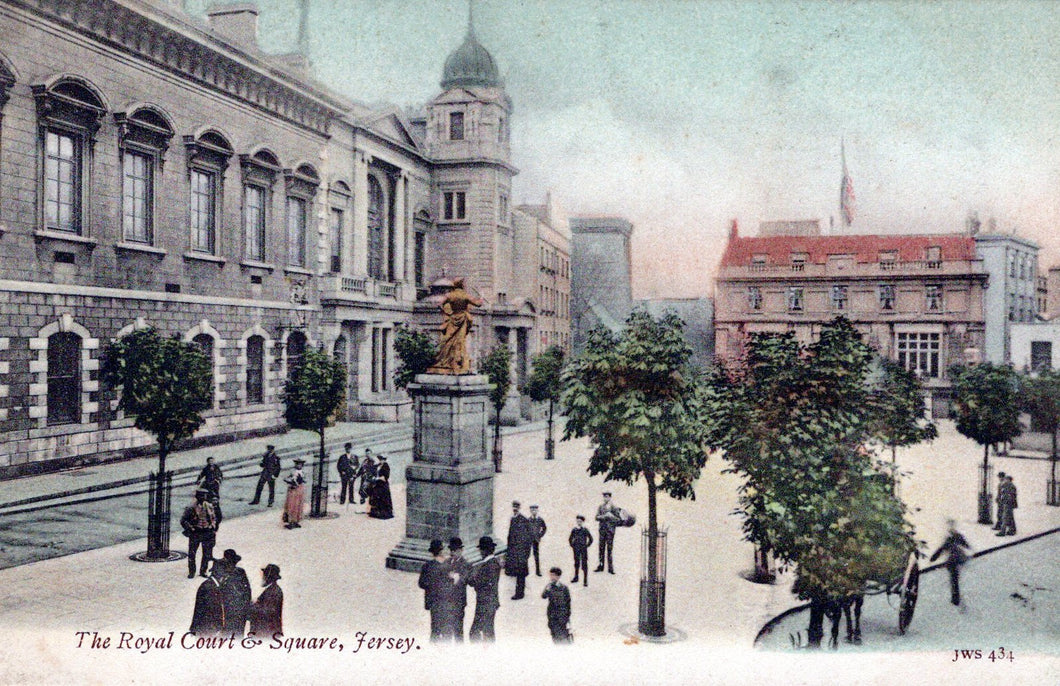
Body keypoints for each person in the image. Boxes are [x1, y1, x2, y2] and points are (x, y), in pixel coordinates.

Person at [427, 277, 484, 375]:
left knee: (448, 340)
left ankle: (447, 362)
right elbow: (478, 304)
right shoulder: (465, 295)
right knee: (459, 341)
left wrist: (447, 312)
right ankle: (459, 364)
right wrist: (482, 297)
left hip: (453, 319)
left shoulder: (450, 295)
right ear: (462, 285)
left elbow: (440, 304)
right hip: (462, 319)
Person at [930, 520, 972, 606]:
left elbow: (941, 549)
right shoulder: (958, 536)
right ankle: (955, 597)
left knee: (954, 578)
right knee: (954, 578)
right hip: (958, 559)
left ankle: (955, 597)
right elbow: (966, 545)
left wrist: (934, 557)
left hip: (952, 561)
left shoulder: (949, 539)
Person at [467, 536, 501, 642]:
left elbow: (480, 582)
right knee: (487, 631)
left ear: (485, 550)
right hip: (489, 602)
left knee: (476, 632)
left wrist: (469, 578)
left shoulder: (489, 565)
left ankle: (482, 654)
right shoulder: (492, 563)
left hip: (486, 603)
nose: (480, 552)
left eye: (481, 550)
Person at [180, 487, 218, 579]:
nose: (203, 497)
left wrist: (212, 526)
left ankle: (203, 571)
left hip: (206, 532)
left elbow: (213, 518)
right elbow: (183, 520)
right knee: (192, 553)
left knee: (206, 553)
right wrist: (190, 528)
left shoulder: (209, 506)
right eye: (201, 495)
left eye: (204, 495)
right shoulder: (191, 508)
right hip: (196, 532)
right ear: (197, 496)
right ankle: (192, 571)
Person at [418, 539, 450, 642]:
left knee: (435, 628)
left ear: (432, 552)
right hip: (446, 600)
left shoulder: (427, 566)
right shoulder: (448, 565)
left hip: (433, 601)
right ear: (442, 551)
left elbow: (421, 583)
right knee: (446, 628)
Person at [441, 537, 472, 641]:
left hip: (458, 601)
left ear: (461, 550)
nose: (452, 552)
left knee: (458, 630)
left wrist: (454, 577)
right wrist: (453, 576)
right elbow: (441, 576)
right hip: (446, 601)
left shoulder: (466, 564)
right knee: (446, 630)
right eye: (451, 550)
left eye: (455, 550)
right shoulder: (446, 562)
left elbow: (463, 580)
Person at [217, 549, 251, 638]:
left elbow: (247, 592)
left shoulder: (240, 572)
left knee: (235, 637)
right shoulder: (222, 575)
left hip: (236, 613)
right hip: (229, 614)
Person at [189, 558, 226, 636]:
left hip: (207, 629)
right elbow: (211, 612)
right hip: (208, 631)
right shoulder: (210, 588)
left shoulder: (211, 585)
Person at [505, 501, 534, 600]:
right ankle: (519, 592)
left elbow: (529, 537)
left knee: (520, 574)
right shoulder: (513, 519)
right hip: (514, 551)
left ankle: (520, 593)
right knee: (517, 573)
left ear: (520, 508)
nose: (515, 508)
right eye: (513, 507)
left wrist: (526, 552)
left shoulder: (523, 520)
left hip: (521, 552)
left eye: (517, 507)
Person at [248, 564, 283, 639]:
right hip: (266, 632)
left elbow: (268, 611)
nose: (262, 577)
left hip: (267, 633)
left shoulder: (274, 591)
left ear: (268, 577)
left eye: (264, 575)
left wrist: (252, 606)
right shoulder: (272, 589)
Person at [541, 567, 572, 644]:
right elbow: (543, 596)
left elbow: (568, 602)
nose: (551, 577)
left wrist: (567, 616)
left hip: (562, 614)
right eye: (550, 575)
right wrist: (547, 589)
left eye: (553, 575)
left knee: (563, 635)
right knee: (554, 634)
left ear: (558, 576)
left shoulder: (564, 588)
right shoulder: (549, 586)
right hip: (552, 614)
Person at [594, 492, 620, 574]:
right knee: (601, 548)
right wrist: (604, 516)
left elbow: (618, 519)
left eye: (607, 497)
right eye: (604, 497)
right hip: (602, 530)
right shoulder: (601, 507)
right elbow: (596, 517)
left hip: (610, 531)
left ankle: (610, 568)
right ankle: (601, 566)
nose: (605, 498)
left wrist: (611, 516)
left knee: (609, 549)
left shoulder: (614, 507)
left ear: (610, 497)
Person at [569, 515, 593, 587]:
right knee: (576, 563)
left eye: (580, 521)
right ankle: (576, 577)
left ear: (583, 522)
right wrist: (573, 545)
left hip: (583, 549)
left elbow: (591, 539)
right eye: (578, 521)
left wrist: (586, 545)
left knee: (584, 564)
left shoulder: (585, 530)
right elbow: (570, 539)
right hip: (576, 549)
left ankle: (585, 580)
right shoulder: (574, 530)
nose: (579, 522)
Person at [282, 458, 307, 529]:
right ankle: (290, 521)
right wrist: (291, 481)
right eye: (298, 464)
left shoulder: (303, 472)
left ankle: (296, 521)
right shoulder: (292, 471)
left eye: (301, 464)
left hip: (300, 489)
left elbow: (305, 480)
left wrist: (302, 480)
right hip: (293, 489)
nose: (299, 466)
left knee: (299, 504)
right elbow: (285, 478)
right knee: (292, 505)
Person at [368, 456, 394, 520]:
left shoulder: (386, 466)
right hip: (378, 484)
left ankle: (384, 513)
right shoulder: (378, 466)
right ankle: (376, 512)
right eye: (380, 459)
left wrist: (377, 478)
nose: (381, 461)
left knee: (384, 498)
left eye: (382, 459)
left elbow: (385, 477)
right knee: (375, 497)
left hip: (383, 485)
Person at [528, 505, 547, 577]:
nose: (534, 511)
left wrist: (540, 535)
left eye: (535, 510)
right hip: (529, 540)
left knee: (536, 555)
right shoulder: (528, 520)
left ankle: (538, 571)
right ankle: (526, 570)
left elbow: (544, 528)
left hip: (536, 540)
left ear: (537, 511)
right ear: (530, 511)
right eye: (532, 510)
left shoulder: (540, 519)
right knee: (527, 554)